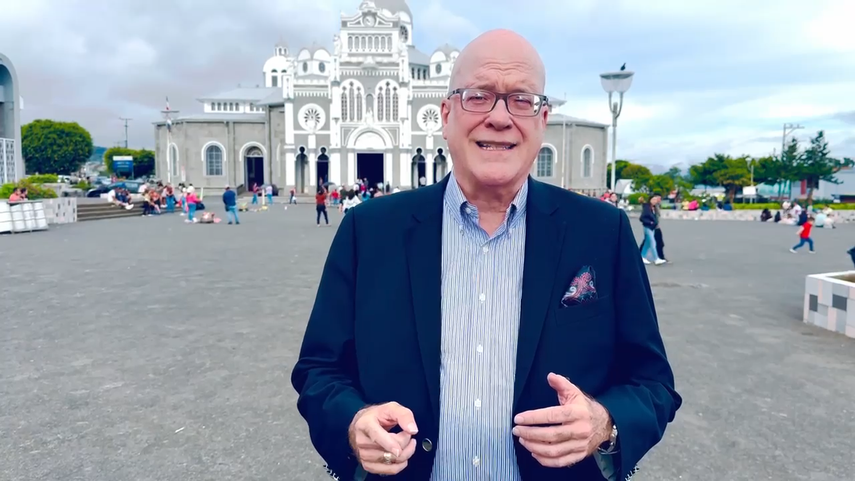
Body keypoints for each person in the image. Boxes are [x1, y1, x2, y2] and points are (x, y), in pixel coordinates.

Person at [291, 29, 680, 481]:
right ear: (445, 114)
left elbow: (652, 383)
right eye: (479, 96)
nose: (499, 118)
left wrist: (605, 423)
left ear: (543, 119)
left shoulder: (602, 231)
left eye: (521, 100)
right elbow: (319, 370)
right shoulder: (369, 230)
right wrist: (353, 422)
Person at [639, 193, 666, 265]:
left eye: (655, 200)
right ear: (650, 200)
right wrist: (650, 222)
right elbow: (642, 218)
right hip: (648, 227)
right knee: (652, 242)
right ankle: (656, 258)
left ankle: (642, 256)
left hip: (652, 227)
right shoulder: (647, 207)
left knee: (647, 243)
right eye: (653, 199)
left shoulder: (653, 208)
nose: (655, 201)